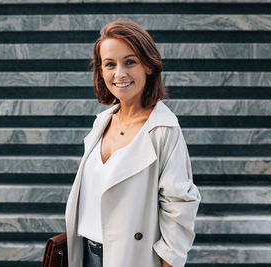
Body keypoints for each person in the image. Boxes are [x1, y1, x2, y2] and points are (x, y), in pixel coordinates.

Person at [65, 18, 201, 267]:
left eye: (130, 62)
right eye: (110, 64)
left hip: (131, 258)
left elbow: (179, 206)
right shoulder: (102, 122)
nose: (119, 73)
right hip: (85, 254)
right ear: (101, 71)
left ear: (149, 66)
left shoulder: (163, 129)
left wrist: (169, 263)